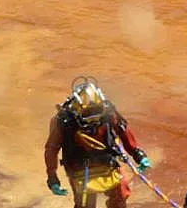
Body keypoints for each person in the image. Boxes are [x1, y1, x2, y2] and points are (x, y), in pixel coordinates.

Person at [45, 77, 152, 208]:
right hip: (79, 168)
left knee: (120, 197)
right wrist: (52, 177)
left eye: (96, 114)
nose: (93, 120)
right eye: (88, 116)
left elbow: (123, 131)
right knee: (85, 204)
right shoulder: (64, 122)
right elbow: (51, 148)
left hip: (107, 164)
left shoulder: (108, 112)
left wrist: (138, 155)